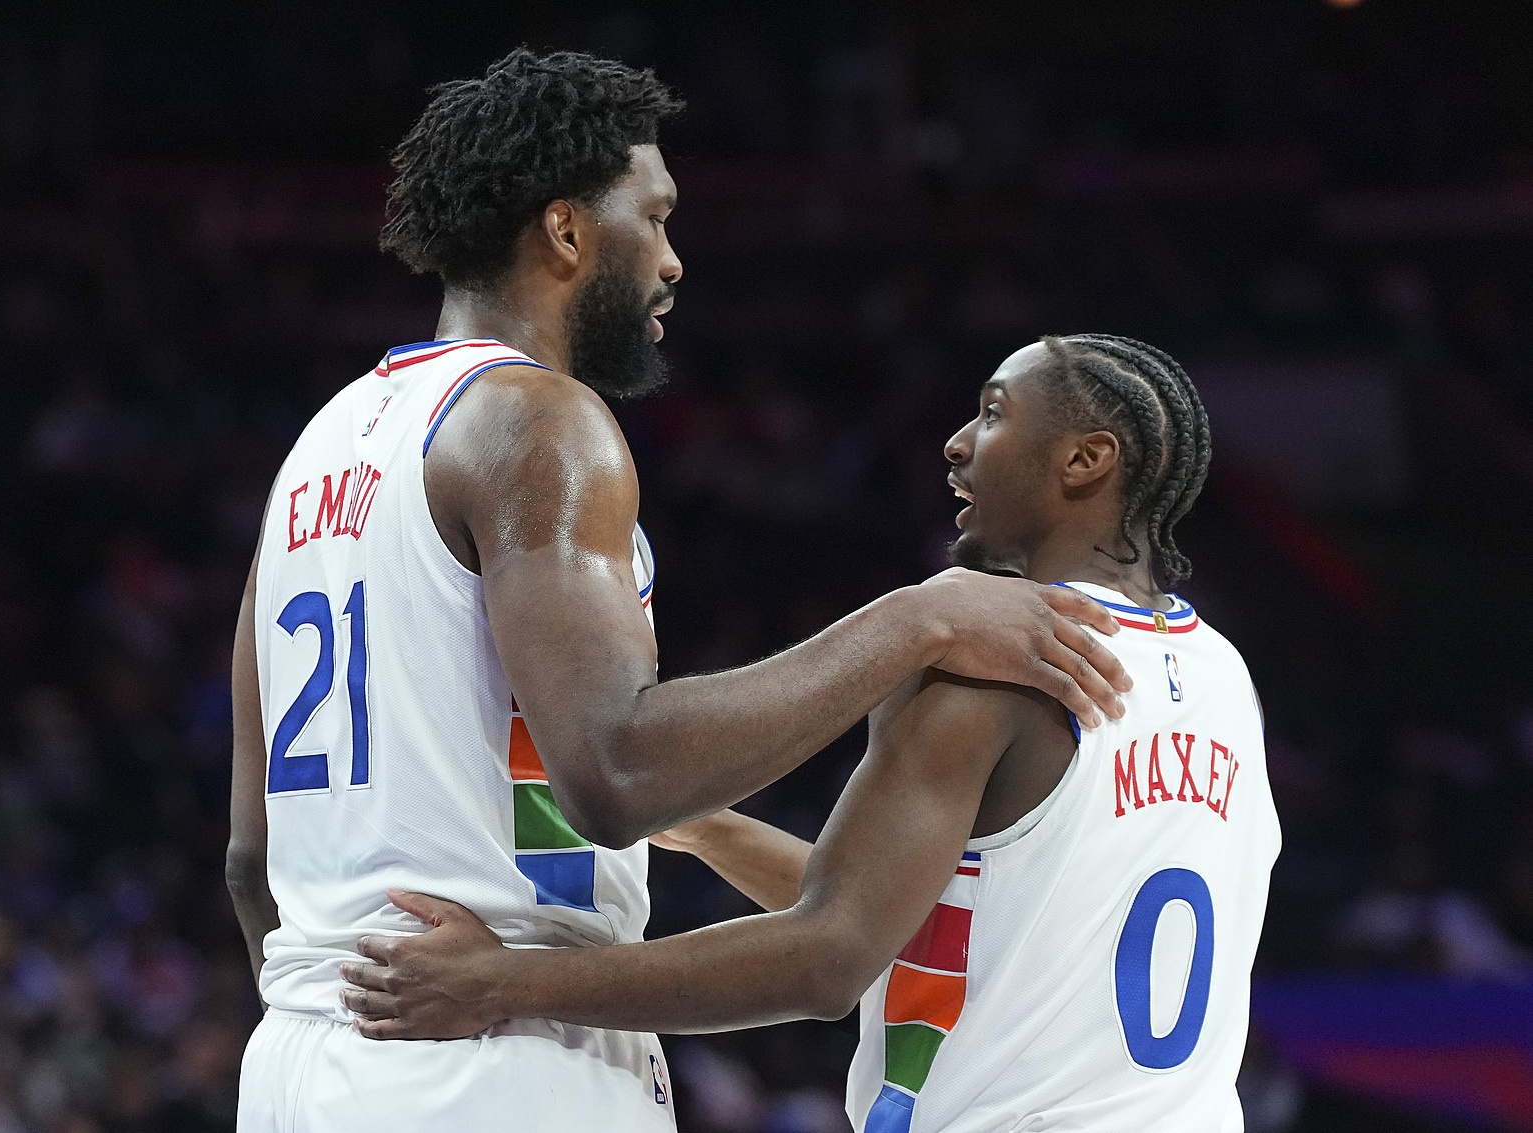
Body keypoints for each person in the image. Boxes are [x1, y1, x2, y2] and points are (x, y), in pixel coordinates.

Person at [225, 50, 1132, 1132]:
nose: (670, 259)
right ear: (566, 232)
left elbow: (249, 859)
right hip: (488, 1051)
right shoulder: (537, 421)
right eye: (652, 217)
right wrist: (919, 616)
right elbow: (617, 772)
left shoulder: (316, 455)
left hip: (300, 1050)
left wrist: (325, 1024)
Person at [340, 334, 1281, 1133]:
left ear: (1086, 460)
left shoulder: (985, 667)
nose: (957, 443)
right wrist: (712, 830)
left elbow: (832, 953)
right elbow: (930, 919)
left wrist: (501, 981)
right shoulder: (1222, 676)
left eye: (993, 414)